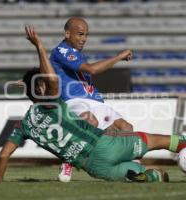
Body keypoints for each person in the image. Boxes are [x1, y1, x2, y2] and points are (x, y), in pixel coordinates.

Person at [0, 26, 186, 183]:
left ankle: (145, 174)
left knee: (152, 169)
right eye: (80, 33)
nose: (83, 37)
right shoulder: (54, 93)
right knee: (159, 140)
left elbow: (4, 155)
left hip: (93, 168)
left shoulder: (23, 125)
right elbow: (62, 79)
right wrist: (39, 47)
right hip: (102, 144)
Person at [50, 17, 134, 181]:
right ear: (67, 34)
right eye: (80, 34)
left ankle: (120, 165)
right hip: (74, 100)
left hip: (95, 100)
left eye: (86, 35)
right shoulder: (62, 51)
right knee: (91, 121)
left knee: (126, 128)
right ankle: (68, 160)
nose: (84, 39)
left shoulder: (75, 53)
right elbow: (92, 70)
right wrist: (118, 57)